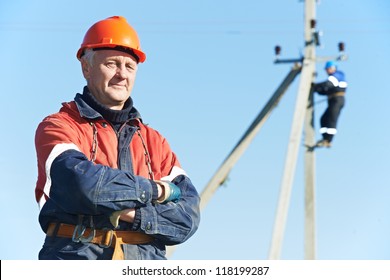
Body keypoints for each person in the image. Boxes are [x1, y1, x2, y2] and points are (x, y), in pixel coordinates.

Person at [34, 16, 200, 260]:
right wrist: (157, 191)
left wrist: (129, 213)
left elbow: (187, 218)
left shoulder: (155, 142)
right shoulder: (60, 126)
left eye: (129, 66)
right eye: (112, 64)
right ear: (86, 68)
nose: (122, 75)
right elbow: (82, 186)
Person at [312, 61, 347, 148]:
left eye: (328, 69)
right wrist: (318, 89)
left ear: (333, 68)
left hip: (337, 100)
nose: (327, 71)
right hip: (333, 100)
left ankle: (329, 140)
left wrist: (316, 86)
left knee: (332, 119)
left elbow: (329, 84)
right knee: (323, 119)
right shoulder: (334, 77)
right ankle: (325, 138)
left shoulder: (338, 75)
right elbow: (327, 90)